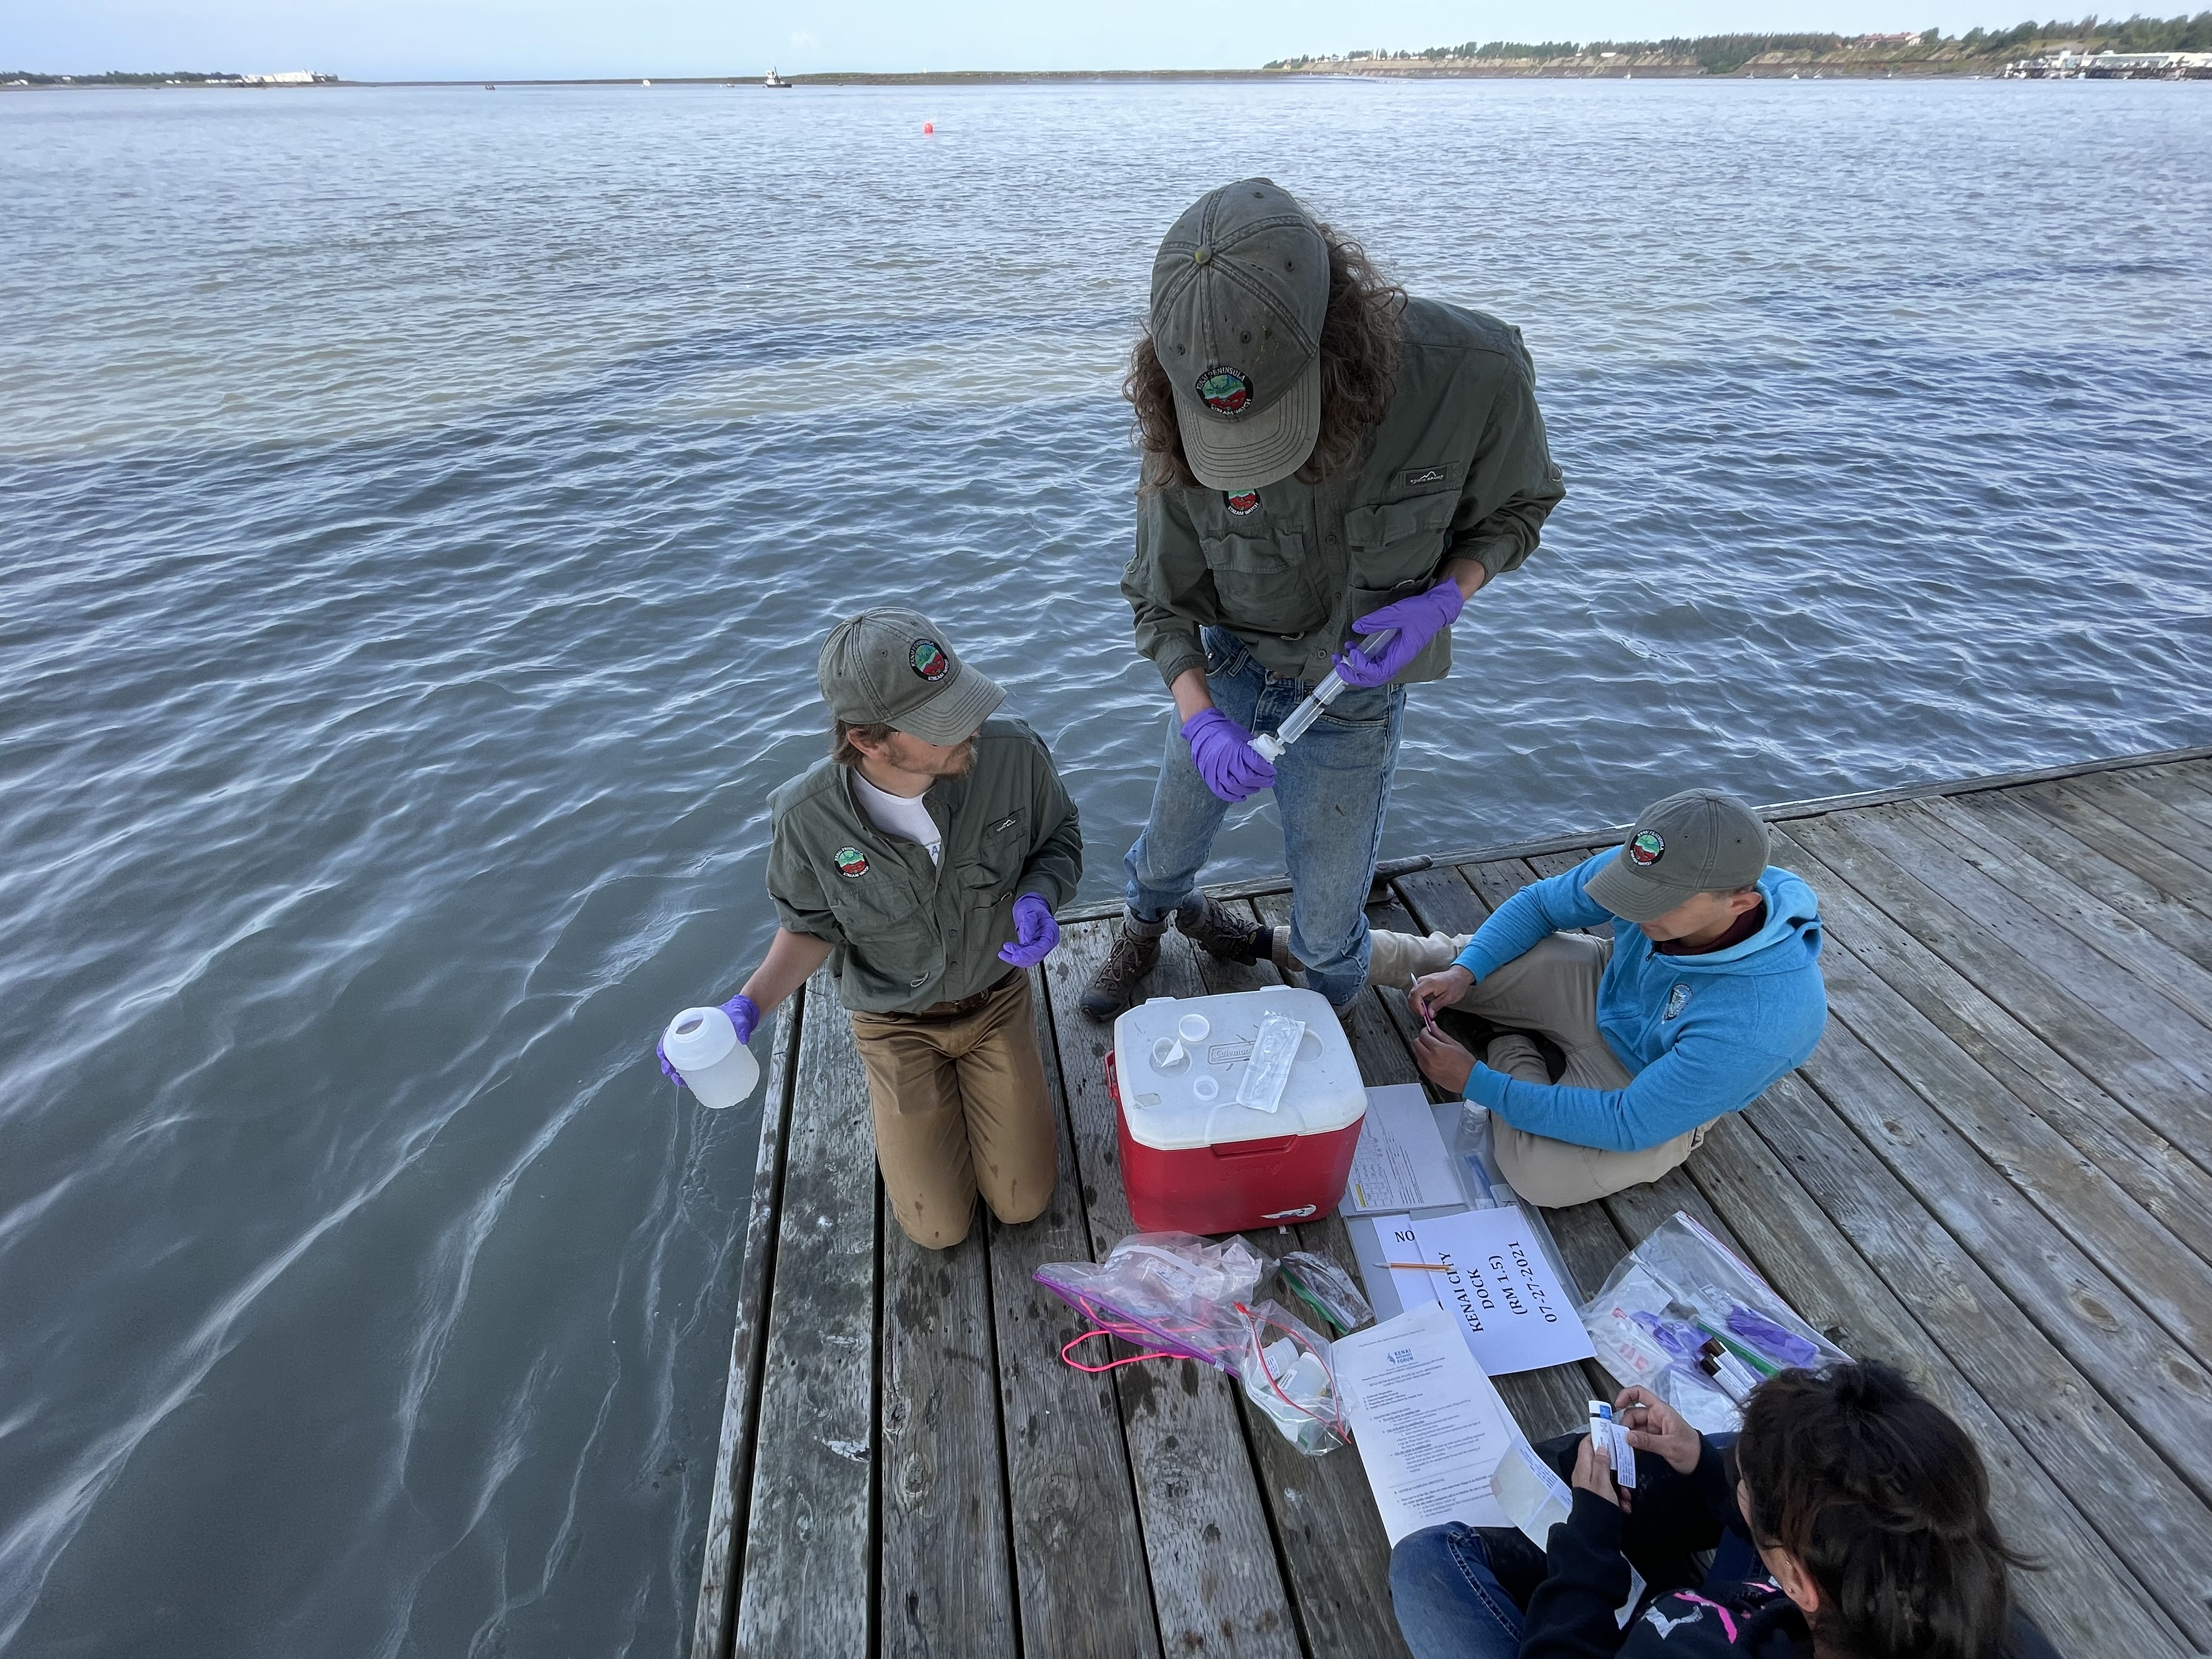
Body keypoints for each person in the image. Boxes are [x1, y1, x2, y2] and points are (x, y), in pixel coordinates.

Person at [1081, 177, 1565, 1020]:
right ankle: (1148, 924)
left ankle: (1324, 1024)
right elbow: (1159, 601)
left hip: (1356, 695)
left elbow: (1523, 507)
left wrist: (1447, 596)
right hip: (1229, 667)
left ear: (1338, 338)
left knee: (1330, 926)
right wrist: (1199, 716)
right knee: (1165, 849)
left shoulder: (1474, 373)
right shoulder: (1180, 399)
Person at [657, 608, 1081, 1249]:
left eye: (963, 701)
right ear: (869, 740)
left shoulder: (1014, 753)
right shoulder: (804, 818)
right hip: (895, 1026)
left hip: (997, 999)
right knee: (938, 1229)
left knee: (1023, 1204)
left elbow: (1060, 839)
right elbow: (810, 926)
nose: (970, 726)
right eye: (941, 723)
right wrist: (747, 1007)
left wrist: (1040, 896)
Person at [1387, 1361, 2057, 1659]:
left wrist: (1588, 1544)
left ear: (1796, 1580)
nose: (1737, 1465)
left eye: (1750, 1483)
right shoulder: (1957, 1598)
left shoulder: (1689, 1640)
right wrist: (1703, 1466)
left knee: (1426, 1565)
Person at [1375, 788, 1826, 1206]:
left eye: (1657, 902)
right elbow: (1539, 905)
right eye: (1631, 890)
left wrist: (1477, 1082)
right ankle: (1314, 949)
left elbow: (1629, 1121)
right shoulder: (1657, 863)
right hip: (1606, 984)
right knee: (1447, 963)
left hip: (1645, 1081)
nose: (1633, 907)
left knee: (1539, 1177)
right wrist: (1464, 973)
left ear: (1739, 906)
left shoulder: (1765, 1019)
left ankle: (1508, 1041)